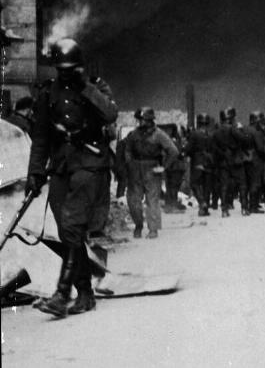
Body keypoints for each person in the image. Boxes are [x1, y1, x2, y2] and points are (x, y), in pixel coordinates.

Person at [25, 38, 118, 317]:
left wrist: (85, 87)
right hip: (62, 166)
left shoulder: (95, 87)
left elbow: (110, 114)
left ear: (80, 66)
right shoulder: (47, 93)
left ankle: (63, 293)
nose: (65, 74)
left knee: (72, 224)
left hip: (90, 163)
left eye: (71, 69)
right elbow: (40, 137)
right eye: (61, 69)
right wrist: (35, 172)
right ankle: (85, 293)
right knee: (67, 232)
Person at [125, 107, 179, 238]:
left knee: (152, 200)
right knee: (133, 200)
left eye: (142, 120)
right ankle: (138, 225)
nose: (139, 123)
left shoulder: (159, 134)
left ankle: (153, 229)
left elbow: (173, 151)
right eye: (138, 120)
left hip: (152, 168)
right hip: (136, 169)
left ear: (149, 120)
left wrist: (164, 167)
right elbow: (127, 150)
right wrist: (130, 163)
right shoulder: (133, 135)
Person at [213, 107, 249, 217]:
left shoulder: (217, 132)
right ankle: (244, 208)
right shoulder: (233, 129)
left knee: (224, 186)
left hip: (224, 162)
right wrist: (241, 130)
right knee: (242, 184)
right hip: (236, 160)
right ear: (231, 118)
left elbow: (214, 147)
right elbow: (244, 140)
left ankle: (224, 210)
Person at [184, 113, 216, 217]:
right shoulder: (211, 134)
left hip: (197, 162)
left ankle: (202, 203)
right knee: (207, 186)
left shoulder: (194, 134)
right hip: (209, 162)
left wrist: (185, 152)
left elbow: (189, 149)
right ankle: (204, 209)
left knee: (194, 184)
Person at [242, 111, 265, 213]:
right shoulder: (256, 132)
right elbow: (260, 148)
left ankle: (247, 205)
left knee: (247, 183)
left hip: (245, 158)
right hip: (256, 160)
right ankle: (253, 206)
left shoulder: (244, 130)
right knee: (255, 183)